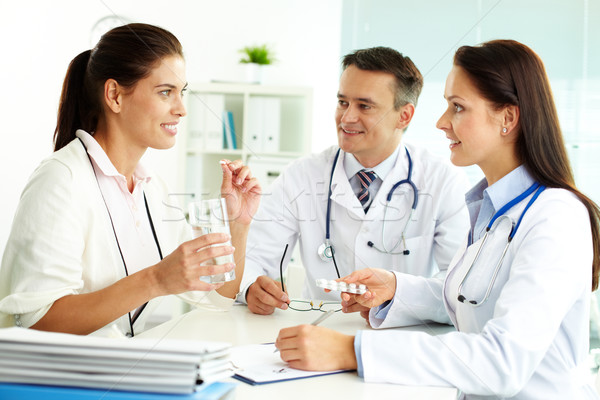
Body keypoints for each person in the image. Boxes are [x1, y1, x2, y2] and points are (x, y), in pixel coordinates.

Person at [275, 39, 600, 399]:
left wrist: (351, 351)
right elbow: (469, 301)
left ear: (507, 118)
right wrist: (395, 289)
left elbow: (502, 362)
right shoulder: (492, 209)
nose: (442, 123)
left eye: (457, 107)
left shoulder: (556, 217)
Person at [0, 23, 261, 337]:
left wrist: (238, 223)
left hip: (115, 368)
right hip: (56, 379)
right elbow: (37, 322)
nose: (181, 109)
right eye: (165, 92)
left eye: (182, 92)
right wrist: (155, 280)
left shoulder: (151, 187)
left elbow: (216, 297)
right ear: (114, 96)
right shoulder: (61, 180)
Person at [240, 47, 470, 318]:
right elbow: (254, 258)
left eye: (364, 106)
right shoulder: (301, 176)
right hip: (318, 331)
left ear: (404, 116)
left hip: (402, 335)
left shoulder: (443, 181)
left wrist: (396, 294)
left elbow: (458, 288)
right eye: (342, 102)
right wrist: (251, 288)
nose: (347, 117)